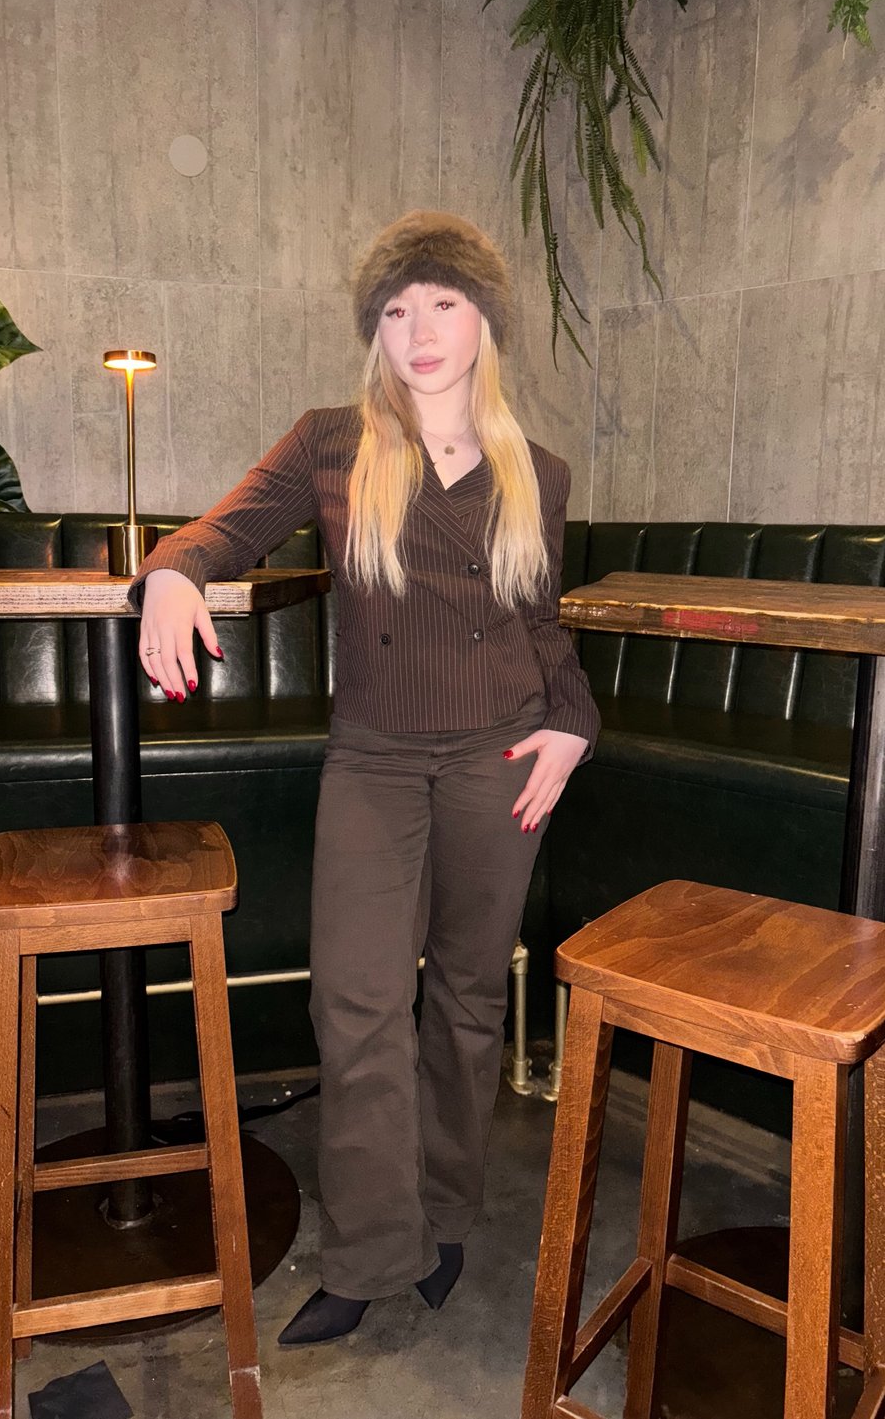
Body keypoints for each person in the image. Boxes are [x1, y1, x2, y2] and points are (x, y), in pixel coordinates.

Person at [129, 210, 601, 1346]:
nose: (419, 330)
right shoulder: (331, 442)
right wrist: (171, 574)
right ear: (374, 332)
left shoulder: (534, 467)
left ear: (482, 317)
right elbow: (223, 530)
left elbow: (539, 623)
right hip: (377, 760)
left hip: (502, 753)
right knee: (354, 998)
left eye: (441, 303)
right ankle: (366, 1251)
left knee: (470, 997)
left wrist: (576, 722)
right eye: (396, 311)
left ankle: (443, 1219)